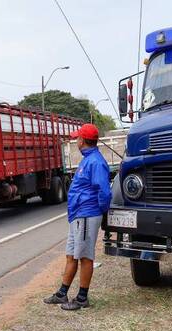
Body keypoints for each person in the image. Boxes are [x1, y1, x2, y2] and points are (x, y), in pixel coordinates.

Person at [44, 123, 111, 311]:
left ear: (83, 140)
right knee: (71, 255)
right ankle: (62, 293)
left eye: (77, 138)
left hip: (86, 215)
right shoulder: (88, 159)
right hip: (78, 215)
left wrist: (102, 212)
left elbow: (104, 192)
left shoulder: (95, 162)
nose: (76, 141)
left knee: (85, 257)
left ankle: (82, 298)